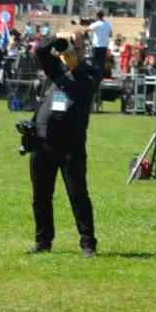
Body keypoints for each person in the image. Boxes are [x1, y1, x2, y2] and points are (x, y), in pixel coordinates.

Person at [26, 34, 99, 256]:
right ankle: (42, 241)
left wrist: (75, 65)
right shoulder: (57, 69)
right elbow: (40, 52)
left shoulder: (90, 72)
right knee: (40, 196)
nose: (69, 51)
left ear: (82, 49)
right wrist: (55, 39)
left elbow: (84, 88)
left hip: (71, 146)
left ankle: (88, 243)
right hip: (43, 142)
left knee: (77, 195)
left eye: (74, 47)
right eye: (69, 47)